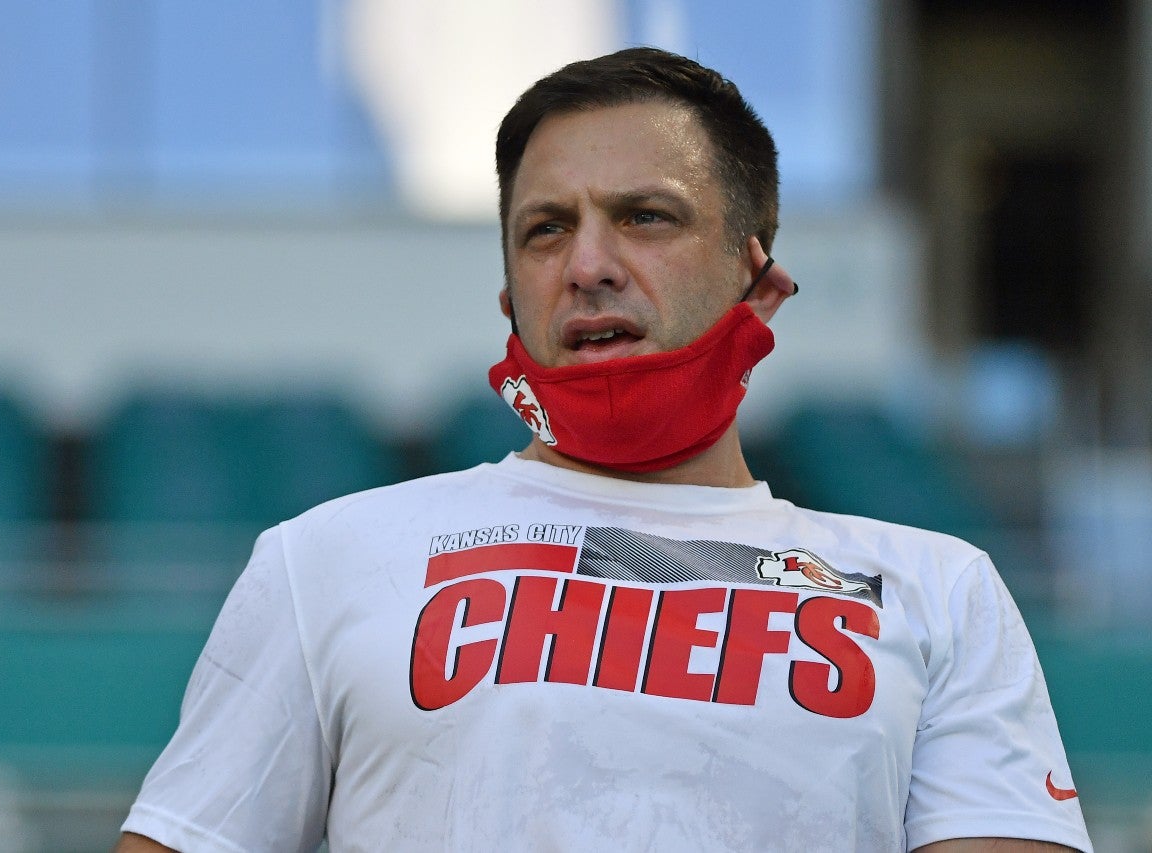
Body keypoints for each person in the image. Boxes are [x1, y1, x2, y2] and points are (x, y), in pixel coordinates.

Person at [115, 48, 1092, 852]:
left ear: (757, 280)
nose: (586, 265)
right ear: (510, 301)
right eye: (545, 231)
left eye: (644, 216)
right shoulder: (322, 562)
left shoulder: (938, 591)